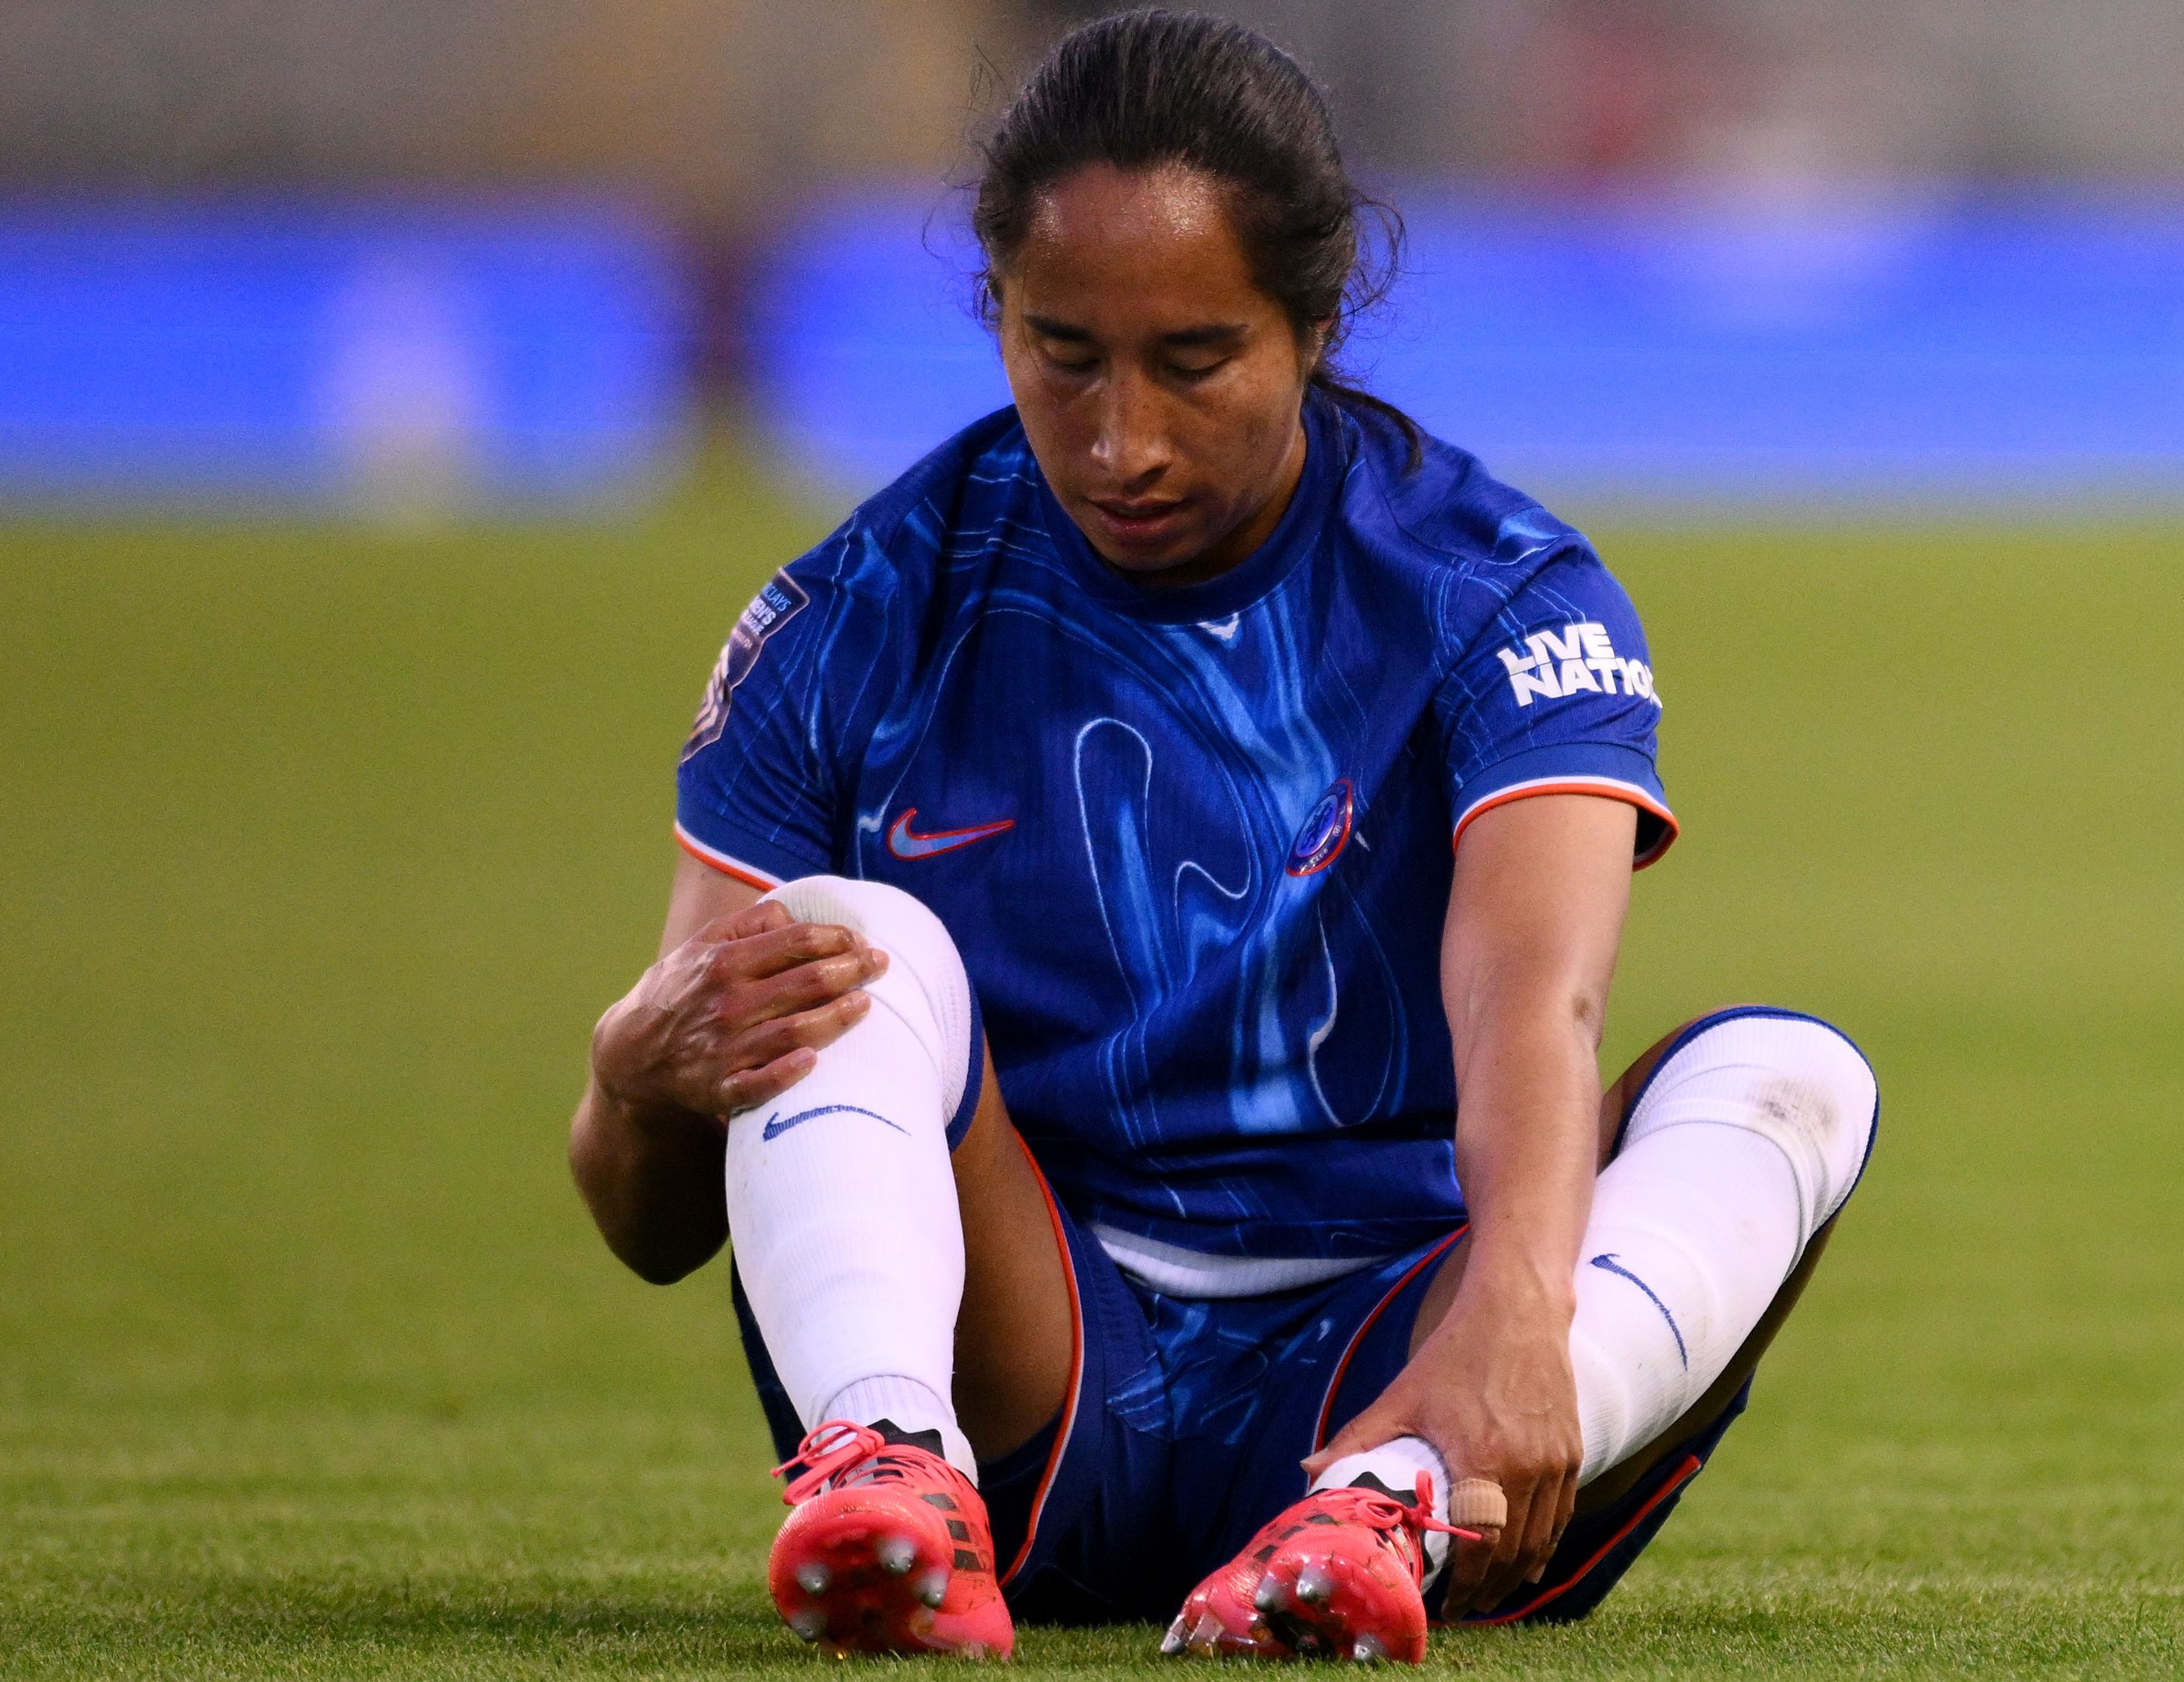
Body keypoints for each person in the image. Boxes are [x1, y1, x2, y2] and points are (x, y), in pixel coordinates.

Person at [567, 7, 1877, 1664]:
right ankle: (891, 1469)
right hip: (1033, 1356)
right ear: (994, 312)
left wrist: (1519, 1317)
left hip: (1392, 1353)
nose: (1123, 442)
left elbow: (1527, 1006)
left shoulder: (1493, 591)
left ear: (1314, 324)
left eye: (1194, 362)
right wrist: (629, 1074)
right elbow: (649, 1219)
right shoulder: (854, 616)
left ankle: (1381, 1506)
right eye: (1061, 354)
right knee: (847, 939)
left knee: (1792, 1080)